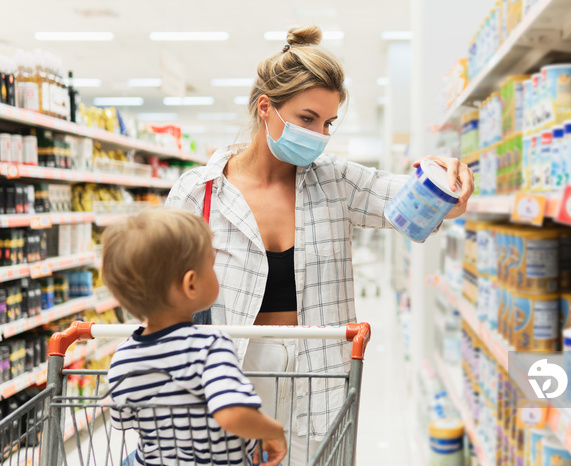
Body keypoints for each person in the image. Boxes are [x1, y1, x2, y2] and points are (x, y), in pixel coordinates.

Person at [165, 25, 474, 464]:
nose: (319, 134)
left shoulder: (336, 181)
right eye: (307, 119)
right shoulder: (199, 193)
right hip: (230, 371)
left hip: (318, 370)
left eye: (327, 123)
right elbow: (164, 295)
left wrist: (450, 189)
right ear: (265, 108)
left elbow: (416, 203)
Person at [102, 208, 287, 466]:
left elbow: (126, 420)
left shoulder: (122, 357)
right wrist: (272, 431)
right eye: (211, 266)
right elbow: (232, 413)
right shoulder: (210, 345)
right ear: (191, 284)